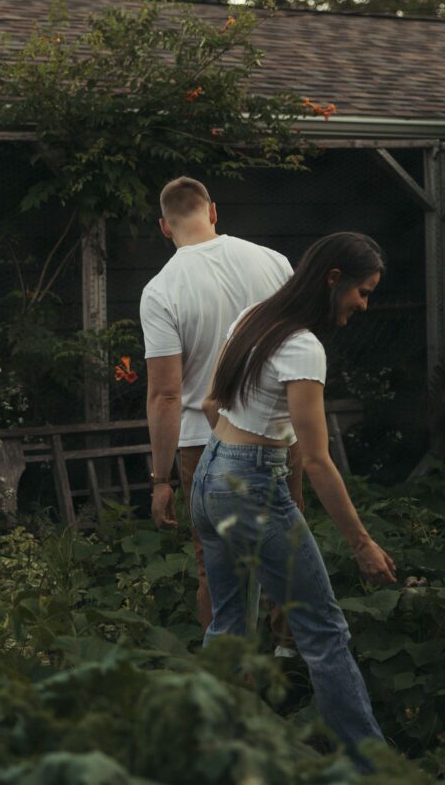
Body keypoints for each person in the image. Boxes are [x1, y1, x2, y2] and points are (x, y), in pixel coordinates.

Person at [193, 231, 397, 767]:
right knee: (324, 634)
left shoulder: (253, 318)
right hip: (251, 488)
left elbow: (214, 403)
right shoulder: (303, 347)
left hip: (211, 476)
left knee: (228, 625)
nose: (364, 304)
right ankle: (371, 765)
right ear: (334, 279)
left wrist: (244, 464)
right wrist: (362, 544)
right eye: (363, 291)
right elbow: (317, 460)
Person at [140, 176, 303, 636]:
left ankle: (233, 677)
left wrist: (161, 479)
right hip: (277, 432)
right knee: (286, 551)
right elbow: (298, 352)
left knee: (217, 568)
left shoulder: (161, 289)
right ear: (213, 211)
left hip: (205, 445)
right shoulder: (274, 263)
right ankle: (289, 664)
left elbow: (166, 394)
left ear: (164, 228)